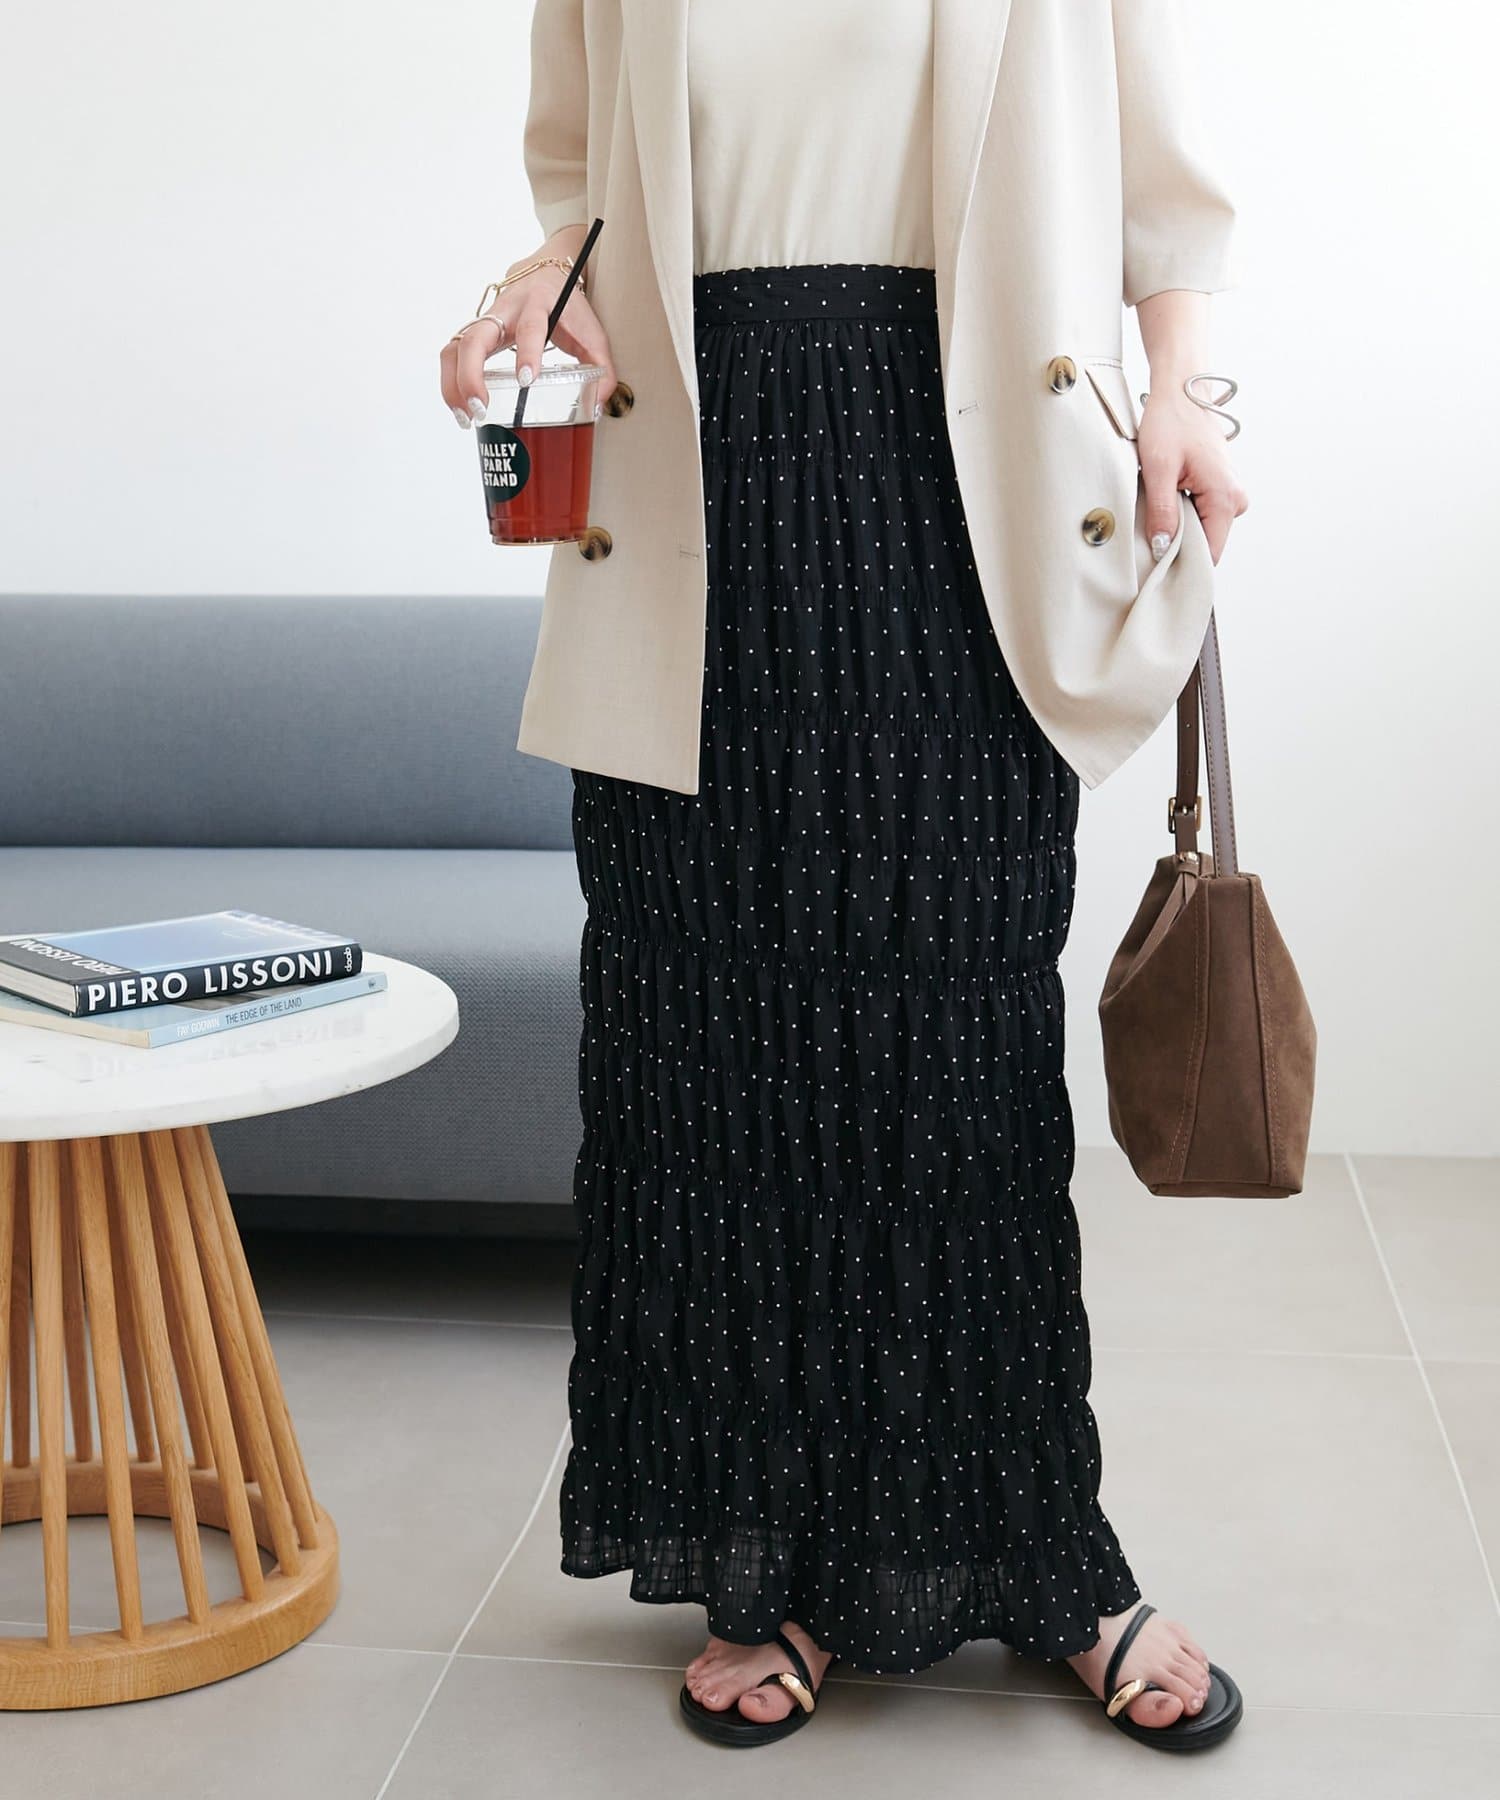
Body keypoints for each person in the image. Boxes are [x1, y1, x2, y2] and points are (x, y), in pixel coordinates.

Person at [440, 0, 1250, 1756]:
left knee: (960, 1070)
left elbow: (1166, 203)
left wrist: (1185, 398)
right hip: (695, 503)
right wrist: (533, 289)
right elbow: (578, 178)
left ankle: (1042, 1552)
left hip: (966, 503)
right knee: (718, 1072)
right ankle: (774, 1556)